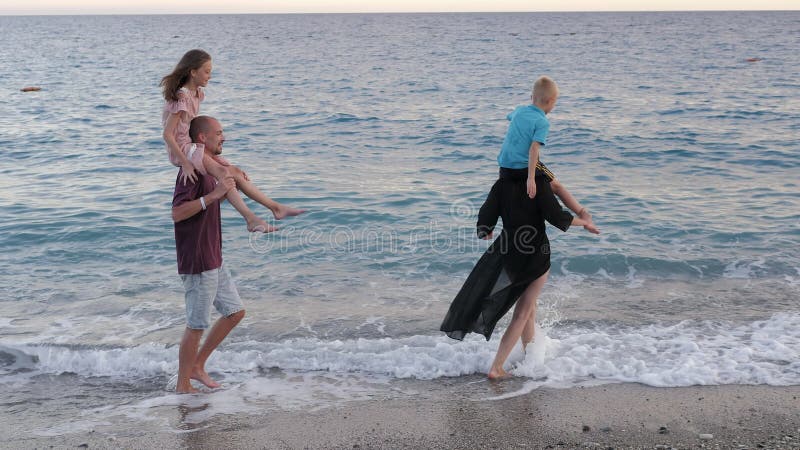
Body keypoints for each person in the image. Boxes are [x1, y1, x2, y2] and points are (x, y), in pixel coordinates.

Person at [440, 169, 599, 380]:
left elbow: (486, 221)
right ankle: (496, 368)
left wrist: (486, 230)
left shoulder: (501, 184)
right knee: (523, 312)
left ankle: (530, 358)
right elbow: (556, 217)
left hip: (509, 251)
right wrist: (585, 222)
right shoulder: (538, 183)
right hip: (534, 253)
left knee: (529, 308)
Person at [161, 49, 304, 233]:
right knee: (223, 173)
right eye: (206, 71)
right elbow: (167, 135)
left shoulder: (196, 93)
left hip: (191, 147)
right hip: (181, 150)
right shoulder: (182, 96)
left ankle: (275, 207)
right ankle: (251, 219)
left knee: (234, 172)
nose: (209, 76)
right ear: (193, 72)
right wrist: (186, 164)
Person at [172, 115, 257, 393]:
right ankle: (183, 388)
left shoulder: (211, 169)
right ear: (202, 139)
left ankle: (197, 366)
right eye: (219, 133)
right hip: (197, 259)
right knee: (196, 325)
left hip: (213, 255)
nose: (224, 138)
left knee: (235, 312)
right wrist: (213, 196)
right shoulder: (191, 171)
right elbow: (178, 213)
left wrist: (229, 186)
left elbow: (215, 195)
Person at [497, 76, 594, 225]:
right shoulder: (542, 122)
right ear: (551, 101)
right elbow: (533, 149)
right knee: (556, 185)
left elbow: (509, 117)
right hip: (525, 164)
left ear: (531, 97)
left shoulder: (519, 111)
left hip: (505, 164)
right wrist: (531, 178)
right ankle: (582, 212)